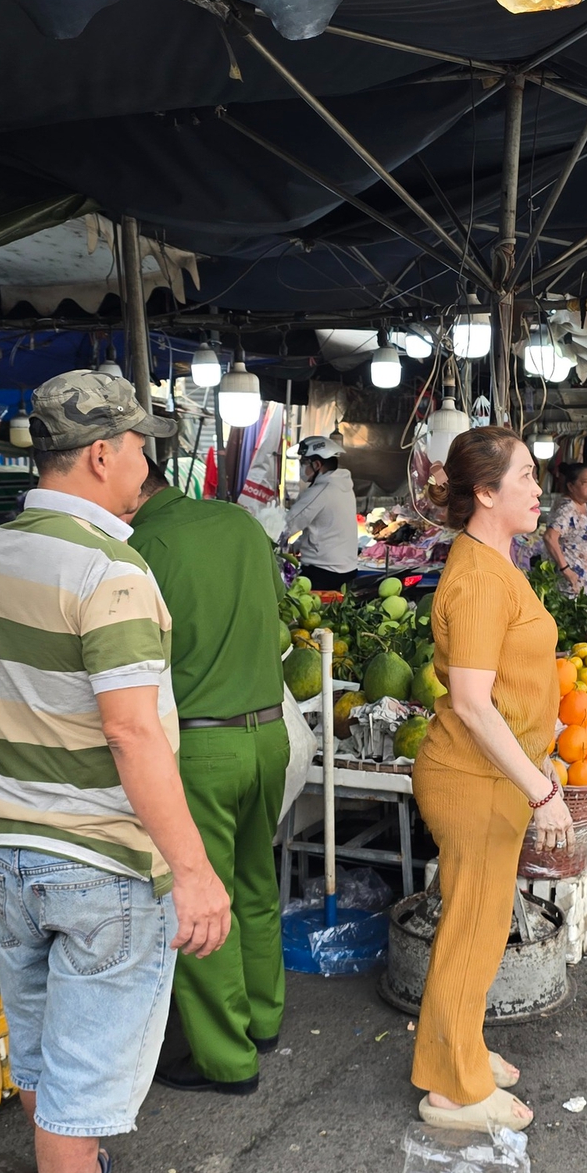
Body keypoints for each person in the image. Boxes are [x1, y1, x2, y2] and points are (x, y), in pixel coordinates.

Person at [0, 370, 230, 1173]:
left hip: (9, 847)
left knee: (41, 1050)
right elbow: (131, 733)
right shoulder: (109, 573)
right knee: (83, 1069)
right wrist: (192, 871)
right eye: (139, 450)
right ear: (102, 453)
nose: (146, 469)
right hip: (99, 862)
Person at [410, 427, 573, 1134]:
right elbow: (474, 704)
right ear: (484, 492)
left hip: (498, 775)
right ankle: (450, 1088)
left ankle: (464, 1049)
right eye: (527, 475)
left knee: (481, 928)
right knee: (471, 930)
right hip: (472, 780)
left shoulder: (498, 560)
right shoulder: (477, 577)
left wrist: (539, 764)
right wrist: (544, 793)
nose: (539, 489)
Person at [128, 457, 290, 1094]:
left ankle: (225, 1060)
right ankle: (264, 1021)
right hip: (269, 734)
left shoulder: (141, 548)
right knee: (255, 884)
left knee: (201, 902)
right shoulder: (242, 524)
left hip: (201, 748)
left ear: (135, 485)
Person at [282, 436, 358, 590]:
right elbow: (324, 529)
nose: (301, 467)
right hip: (347, 570)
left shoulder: (321, 491)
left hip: (323, 574)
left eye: (304, 462)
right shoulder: (343, 486)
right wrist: (297, 545)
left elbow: (287, 525)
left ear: (317, 465)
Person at [541, 460, 587, 594]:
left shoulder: (582, 505)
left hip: (583, 585)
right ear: (571, 486)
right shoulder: (567, 508)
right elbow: (549, 537)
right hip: (567, 586)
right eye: (585, 483)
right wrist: (566, 569)